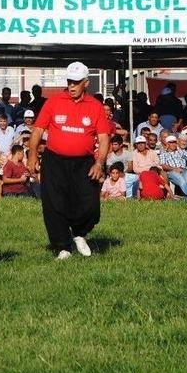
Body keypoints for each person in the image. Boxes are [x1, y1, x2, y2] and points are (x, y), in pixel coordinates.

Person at [26, 61, 110, 261]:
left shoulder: (95, 106)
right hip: (54, 161)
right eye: (69, 81)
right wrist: (32, 155)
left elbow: (104, 137)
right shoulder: (54, 102)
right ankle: (63, 247)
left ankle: (79, 233)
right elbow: (38, 130)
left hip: (84, 163)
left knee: (90, 204)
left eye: (76, 82)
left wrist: (99, 163)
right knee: (54, 204)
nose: (72, 86)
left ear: (86, 83)